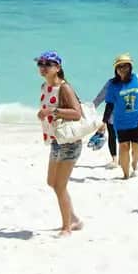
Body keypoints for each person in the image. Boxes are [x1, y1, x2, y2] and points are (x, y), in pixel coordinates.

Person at [36, 51, 85, 236]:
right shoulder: (44, 86)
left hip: (69, 142)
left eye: (47, 64)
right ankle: (74, 219)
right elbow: (48, 109)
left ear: (57, 68)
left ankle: (67, 227)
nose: (43, 67)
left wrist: (52, 111)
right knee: (51, 182)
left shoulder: (64, 88)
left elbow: (77, 113)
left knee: (60, 185)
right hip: (56, 141)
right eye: (40, 64)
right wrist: (43, 113)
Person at [91, 53, 138, 179]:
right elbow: (109, 105)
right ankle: (125, 175)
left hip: (137, 121)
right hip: (120, 122)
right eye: (119, 67)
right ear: (116, 69)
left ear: (130, 67)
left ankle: (134, 163)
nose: (122, 69)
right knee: (123, 147)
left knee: (137, 148)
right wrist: (104, 122)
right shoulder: (113, 85)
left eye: (125, 66)